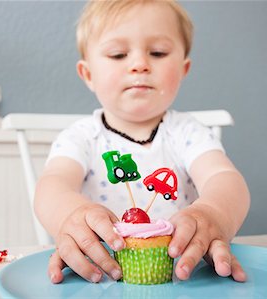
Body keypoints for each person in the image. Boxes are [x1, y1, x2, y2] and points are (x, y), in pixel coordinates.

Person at [35, 0, 250, 284]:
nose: (139, 65)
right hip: (98, 278)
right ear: (88, 74)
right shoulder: (80, 138)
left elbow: (224, 178)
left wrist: (214, 214)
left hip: (182, 278)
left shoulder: (188, 133)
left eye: (158, 52)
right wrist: (71, 216)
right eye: (118, 54)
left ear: (184, 69)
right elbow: (52, 186)